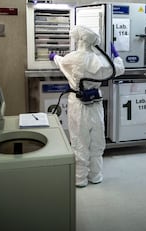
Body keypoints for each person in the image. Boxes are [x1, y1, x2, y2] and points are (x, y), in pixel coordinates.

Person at [49, 26, 125, 187]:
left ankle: (80, 179)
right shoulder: (101, 61)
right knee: (97, 141)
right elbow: (118, 69)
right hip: (96, 105)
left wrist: (54, 56)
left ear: (79, 39)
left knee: (79, 141)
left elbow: (61, 62)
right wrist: (117, 56)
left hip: (77, 105)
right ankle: (95, 176)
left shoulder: (72, 58)